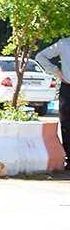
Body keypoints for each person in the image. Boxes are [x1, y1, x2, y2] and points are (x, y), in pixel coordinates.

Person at [34, 36, 70, 169]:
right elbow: (40, 56)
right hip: (68, 88)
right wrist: (56, 71)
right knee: (66, 124)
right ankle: (69, 159)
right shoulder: (64, 44)